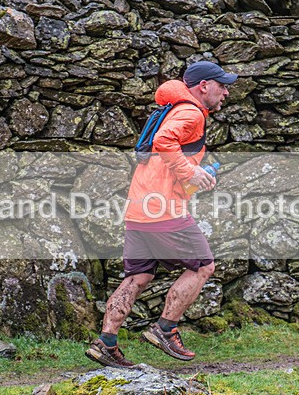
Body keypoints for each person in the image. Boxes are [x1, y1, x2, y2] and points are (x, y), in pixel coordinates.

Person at [86, 61, 238, 368]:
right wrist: (189, 172)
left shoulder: (172, 108)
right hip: (164, 210)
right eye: (221, 85)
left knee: (138, 276)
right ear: (203, 86)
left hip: (139, 208)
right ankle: (165, 329)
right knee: (203, 267)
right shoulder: (190, 111)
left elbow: (161, 158)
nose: (226, 91)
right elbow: (164, 141)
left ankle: (106, 342)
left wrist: (192, 176)